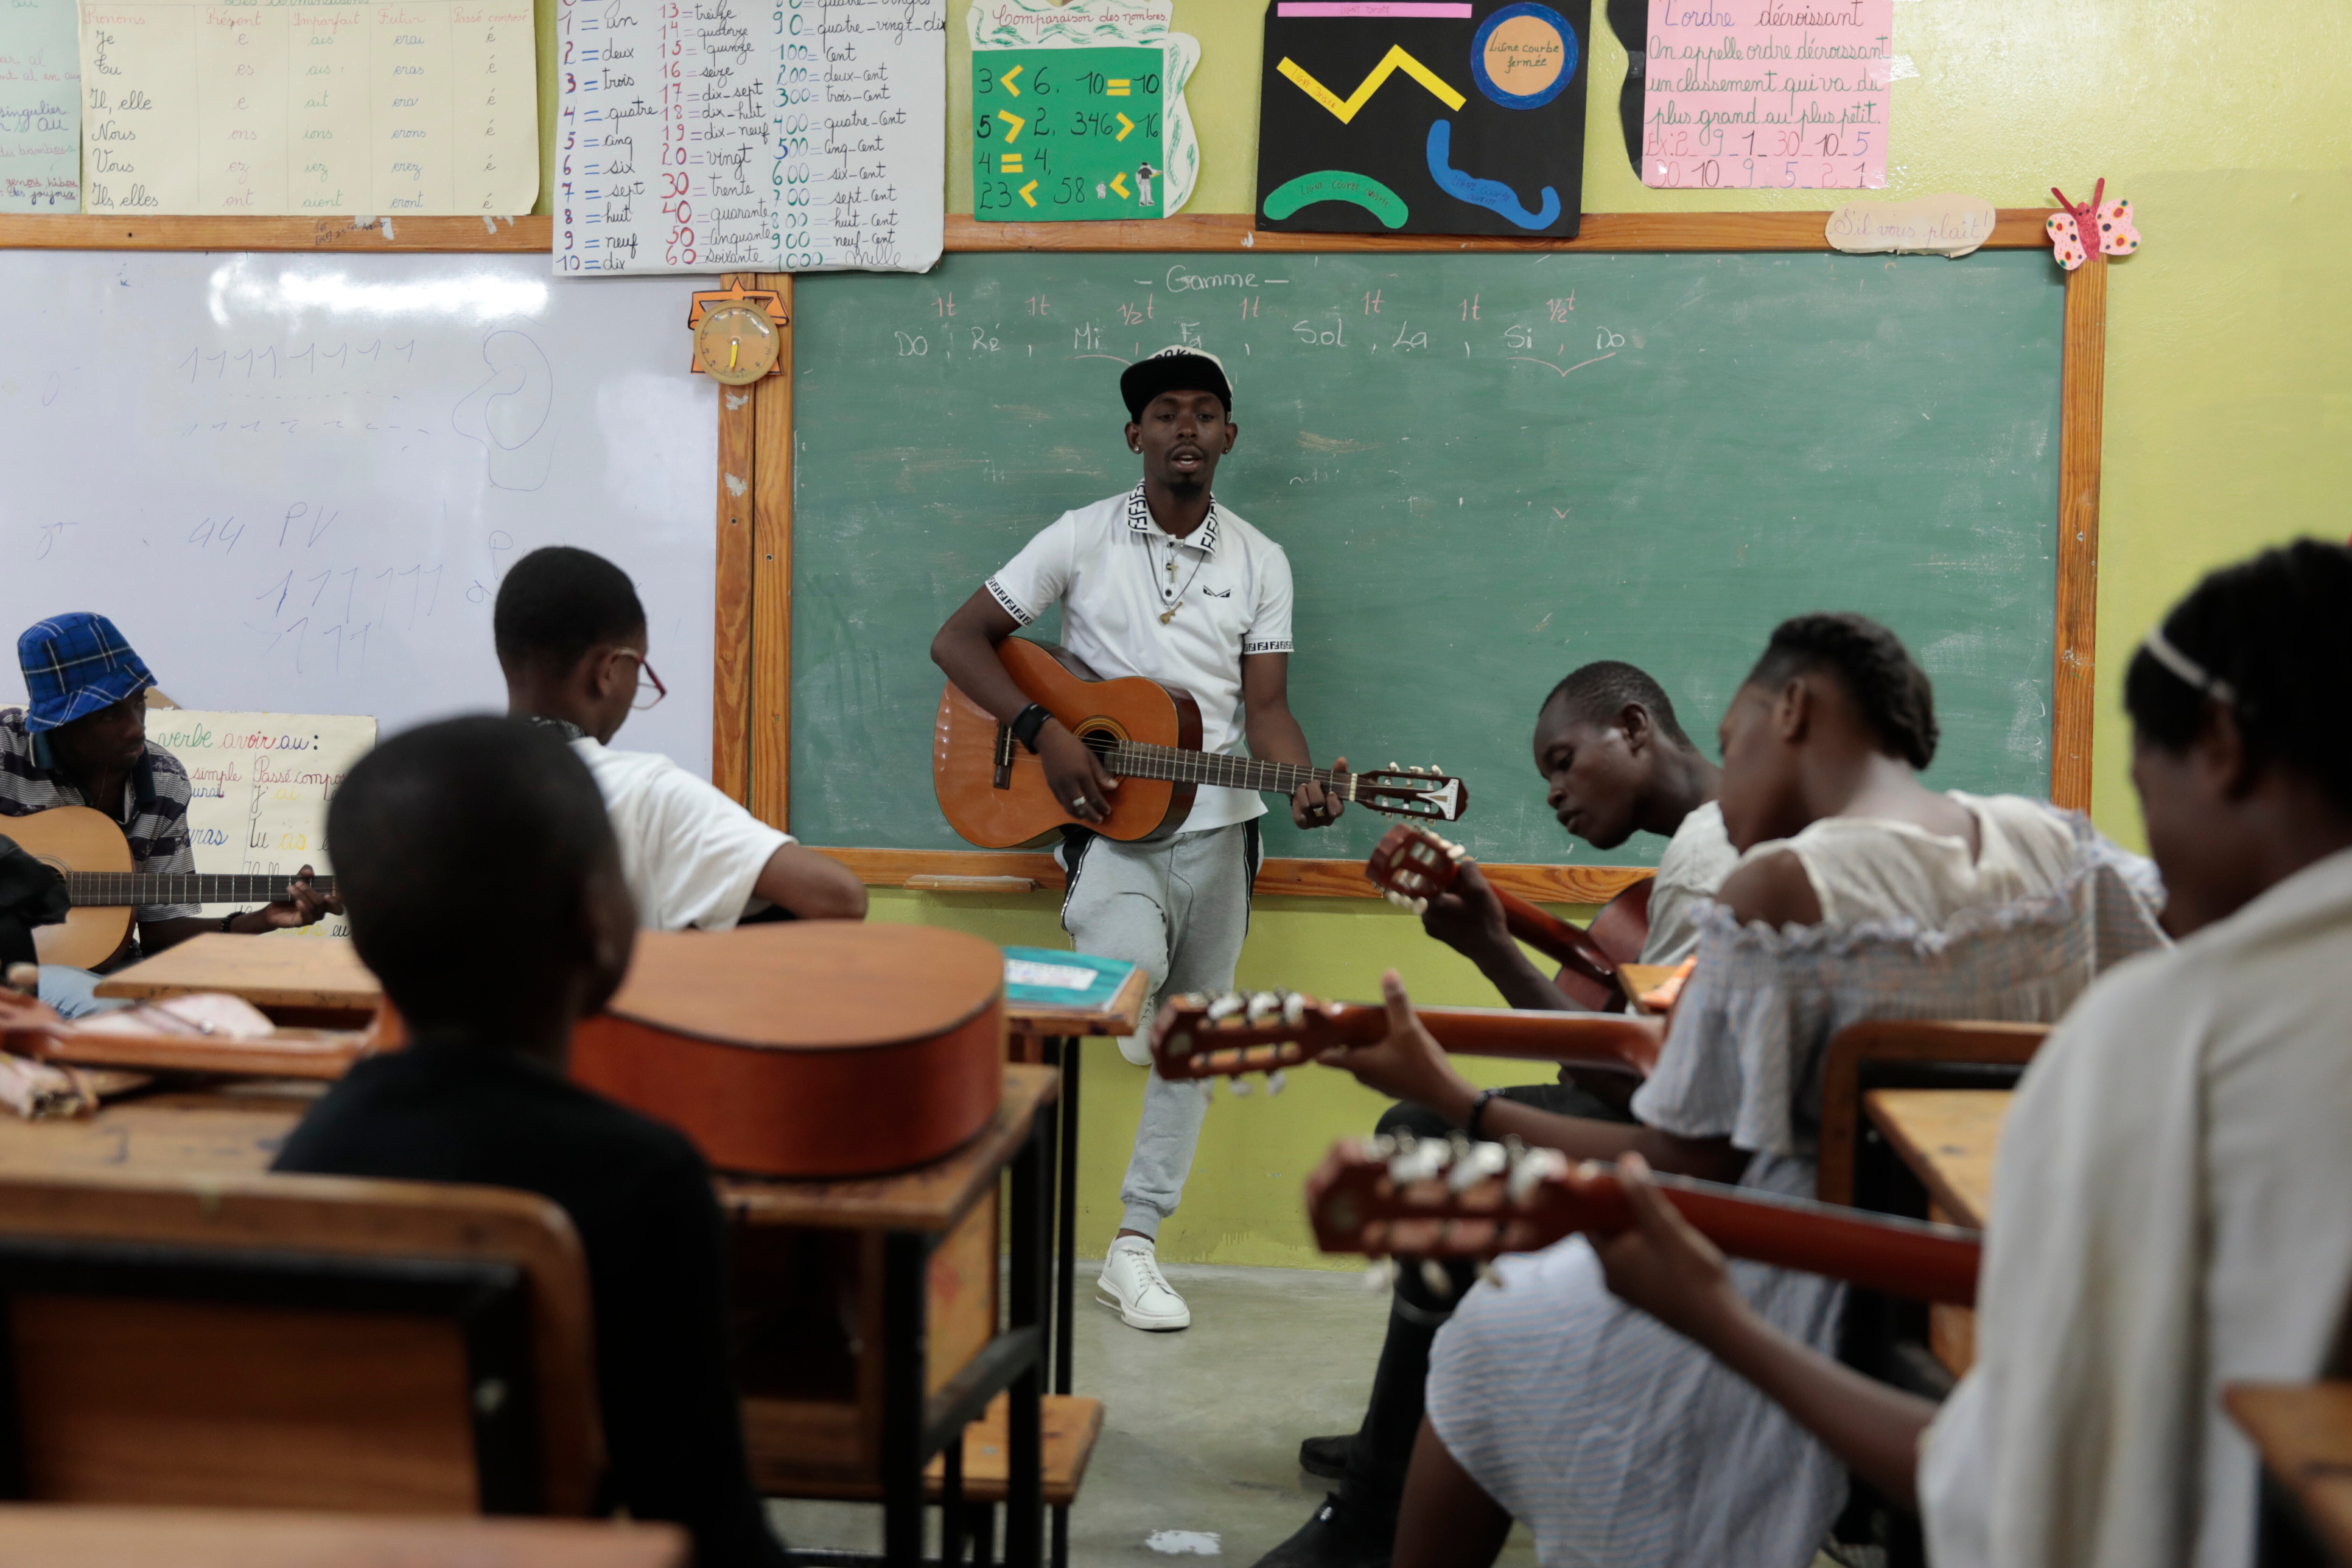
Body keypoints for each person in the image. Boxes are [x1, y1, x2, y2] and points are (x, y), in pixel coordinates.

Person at [1336, 612, 2166, 1568]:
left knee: (1484, 1340)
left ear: (1797, 710)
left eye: (1730, 744)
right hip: (1994, 1272)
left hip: (1796, 1278)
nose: (1722, 795)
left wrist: (1460, 1098)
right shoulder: (2050, 840)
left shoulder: (1776, 887)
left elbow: (1689, 1159)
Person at [1579, 541, 2352, 1568]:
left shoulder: (2165, 1040)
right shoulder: (2059, 851)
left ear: (2216, 746)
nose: (2157, 844)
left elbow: (2029, 1486)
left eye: (2146, 778)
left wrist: (1713, 1315)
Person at [273, 716, 787, 1568]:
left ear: (361, 938)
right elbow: (703, 1521)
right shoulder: (644, 1180)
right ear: (598, 920)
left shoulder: (309, 1157)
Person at [1265, 660, 1735, 1568]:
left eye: (1563, 762)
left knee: (1424, 1141)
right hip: (1701, 1121)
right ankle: (1391, 1442)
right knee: (1423, 1128)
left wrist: (1495, 954)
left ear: (1635, 730)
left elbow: (1644, 1089)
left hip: (1694, 1161)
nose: (1555, 794)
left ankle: (1377, 1505)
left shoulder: (1708, 860)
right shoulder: (1706, 843)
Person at [930, 346, 1345, 1332]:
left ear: (1229, 438)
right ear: (1136, 436)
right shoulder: (1079, 540)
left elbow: (1269, 708)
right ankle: (1142, 1010)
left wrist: (1306, 780)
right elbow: (959, 641)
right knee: (1125, 975)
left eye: (1205, 413)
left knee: (1189, 1045)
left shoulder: (1262, 559)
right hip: (1108, 822)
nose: (1186, 429)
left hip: (1220, 829)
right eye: (1166, 413)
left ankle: (1134, 1249)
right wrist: (1047, 732)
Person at [495, 547, 866, 929]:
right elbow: (839, 896)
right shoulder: (644, 793)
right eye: (639, 668)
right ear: (609, 672)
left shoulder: (439, 772)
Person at [0, 612, 339, 1017]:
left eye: (139, 702)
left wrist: (263, 919)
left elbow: (161, 936)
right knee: (109, 1010)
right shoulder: (5, 749)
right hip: (21, 971)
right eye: (110, 715)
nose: (136, 728)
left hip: (113, 973)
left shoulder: (164, 779)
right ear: (61, 723)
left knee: (234, 1013)